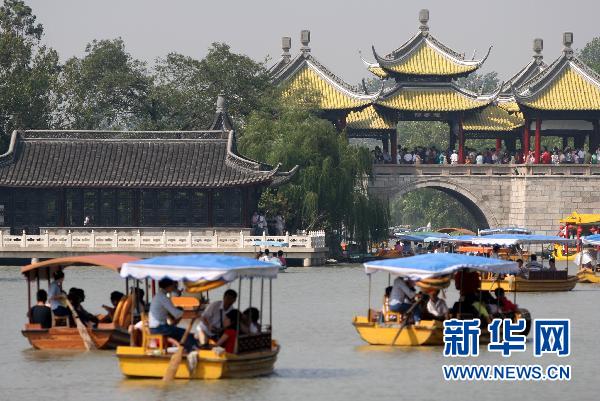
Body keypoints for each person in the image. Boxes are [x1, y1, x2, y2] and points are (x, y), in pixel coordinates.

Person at [149, 278, 197, 351]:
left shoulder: (159, 296)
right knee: (186, 334)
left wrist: (192, 314)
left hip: (156, 328)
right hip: (159, 328)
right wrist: (193, 314)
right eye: (174, 285)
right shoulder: (163, 297)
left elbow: (173, 314)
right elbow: (177, 314)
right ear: (169, 286)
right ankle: (191, 351)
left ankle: (186, 349)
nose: (175, 286)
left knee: (180, 332)